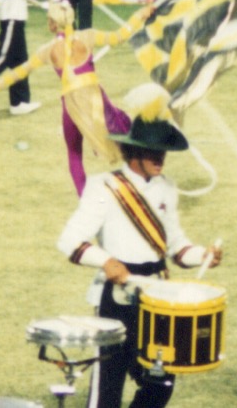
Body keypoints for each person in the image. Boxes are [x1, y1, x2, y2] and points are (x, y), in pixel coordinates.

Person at [56, 85, 221, 408]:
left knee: (161, 381)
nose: (160, 157)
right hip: (118, 296)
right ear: (134, 152)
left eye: (163, 150)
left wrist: (204, 254)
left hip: (158, 296)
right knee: (108, 386)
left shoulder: (168, 189)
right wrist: (105, 262)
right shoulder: (105, 186)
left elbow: (175, 246)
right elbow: (70, 240)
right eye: (152, 150)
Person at [0, 4, 130, 193]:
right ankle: (137, 180)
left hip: (71, 103)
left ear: (54, 25)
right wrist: (143, 14)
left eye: (49, 20)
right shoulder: (88, 35)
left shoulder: (47, 50)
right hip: (96, 99)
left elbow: (18, 73)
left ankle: (85, 200)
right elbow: (120, 36)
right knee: (126, 132)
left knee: (74, 154)